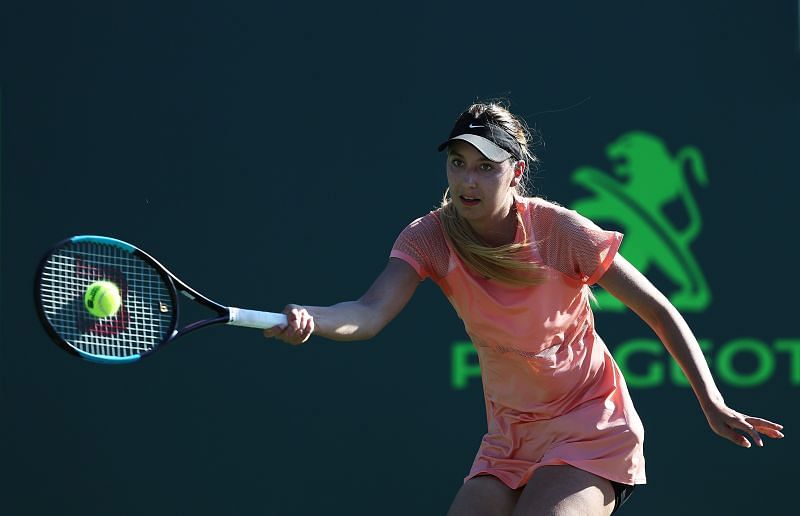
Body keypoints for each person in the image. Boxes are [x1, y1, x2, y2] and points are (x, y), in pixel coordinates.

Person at [263, 102, 785, 515]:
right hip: (508, 436)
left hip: (590, 426)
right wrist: (311, 319)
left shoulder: (560, 231)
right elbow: (369, 312)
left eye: (486, 168)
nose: (468, 181)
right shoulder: (429, 238)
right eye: (458, 163)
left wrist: (712, 403)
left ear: (516, 171)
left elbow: (659, 310)